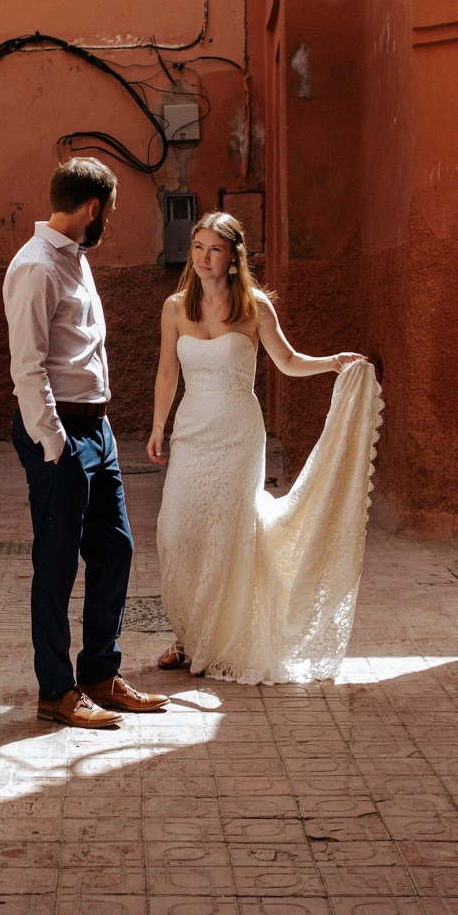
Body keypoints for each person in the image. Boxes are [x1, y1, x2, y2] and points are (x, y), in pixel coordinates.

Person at [146, 212, 383, 684]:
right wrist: (158, 426)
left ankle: (210, 641)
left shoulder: (255, 307)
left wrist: (333, 363)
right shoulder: (175, 307)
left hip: (238, 433)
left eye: (214, 249)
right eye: (197, 248)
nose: (203, 257)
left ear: (233, 257)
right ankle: (189, 632)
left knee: (229, 534)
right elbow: (167, 372)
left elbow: (288, 361)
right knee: (177, 532)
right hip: (192, 431)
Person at [4, 157, 169, 727]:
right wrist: (54, 444)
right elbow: (28, 368)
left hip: (98, 429)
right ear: (93, 208)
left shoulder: (76, 258)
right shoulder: (36, 268)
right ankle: (56, 690)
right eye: (110, 211)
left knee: (115, 548)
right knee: (56, 564)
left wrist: (98, 430)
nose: (108, 221)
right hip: (61, 435)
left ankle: (99, 672)